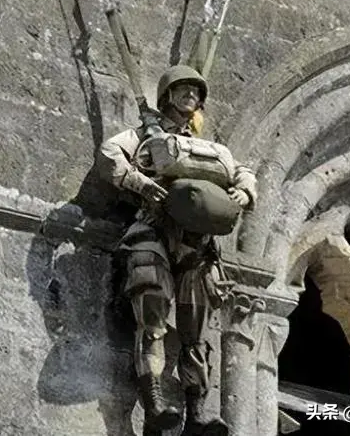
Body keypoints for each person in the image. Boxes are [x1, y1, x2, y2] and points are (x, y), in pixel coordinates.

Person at [96, 66, 257, 435]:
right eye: (183, 89)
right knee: (152, 316)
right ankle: (154, 402)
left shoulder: (209, 149)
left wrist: (244, 192)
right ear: (167, 95)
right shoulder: (144, 136)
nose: (190, 96)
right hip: (154, 231)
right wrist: (138, 182)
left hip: (196, 245)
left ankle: (196, 411)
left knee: (195, 328)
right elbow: (109, 154)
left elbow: (243, 172)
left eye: (195, 92)